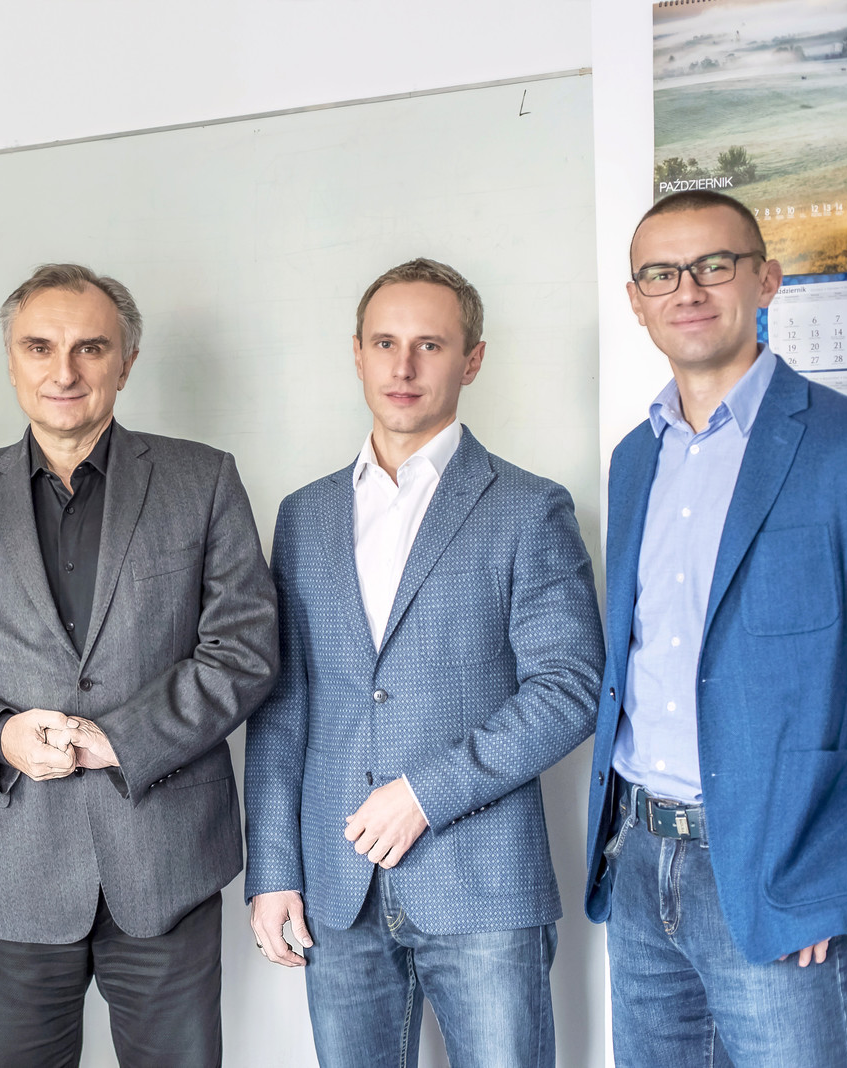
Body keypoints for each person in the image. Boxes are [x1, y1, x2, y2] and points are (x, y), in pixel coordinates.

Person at [0, 263, 277, 1067]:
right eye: (39, 347)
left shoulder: (203, 480)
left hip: (165, 864)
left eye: (90, 348)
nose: (63, 371)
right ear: (11, 361)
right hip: (14, 866)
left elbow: (243, 649)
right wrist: (0, 734)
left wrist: (119, 739)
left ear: (125, 362)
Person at [244, 258, 604, 1067]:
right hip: (336, 891)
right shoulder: (303, 516)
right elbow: (281, 706)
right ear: (358, 354)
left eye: (430, 345)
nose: (403, 366)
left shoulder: (529, 507)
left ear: (471, 360)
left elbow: (571, 688)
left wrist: (424, 794)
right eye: (385, 343)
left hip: (483, 885)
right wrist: (272, 870)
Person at [585, 190, 847, 1066]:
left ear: (765, 280)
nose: (688, 290)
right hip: (640, 862)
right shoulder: (634, 458)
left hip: (790, 871)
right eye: (661, 274)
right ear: (637, 302)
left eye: (714, 265)